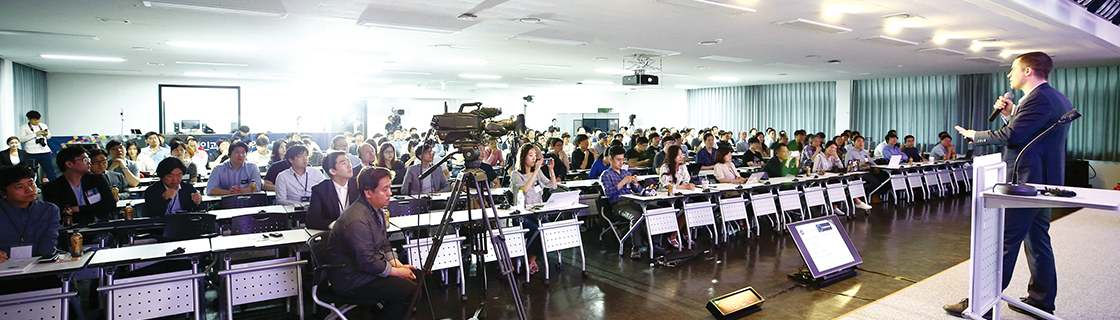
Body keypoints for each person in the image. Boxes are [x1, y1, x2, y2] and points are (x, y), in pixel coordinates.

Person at [947, 52, 1069, 318]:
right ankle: (1041, 300)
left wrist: (975, 135)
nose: (1009, 74)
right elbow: (1032, 131)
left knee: (1003, 242)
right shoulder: (1054, 97)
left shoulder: (1038, 98)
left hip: (1026, 181)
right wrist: (1011, 112)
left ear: (1028, 71)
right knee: (1037, 240)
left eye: (1013, 68)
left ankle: (981, 305)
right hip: (1042, 181)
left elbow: (1014, 135)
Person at [326, 167, 419, 320]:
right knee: (410, 291)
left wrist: (397, 265)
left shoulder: (378, 211)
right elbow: (367, 263)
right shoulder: (357, 220)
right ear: (368, 193)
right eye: (385, 189)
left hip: (366, 272)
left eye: (389, 187)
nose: (390, 193)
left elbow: (384, 243)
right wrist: (396, 272)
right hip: (351, 280)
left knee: (417, 278)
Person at [600, 146, 661, 259]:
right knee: (636, 216)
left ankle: (655, 243)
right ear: (610, 160)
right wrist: (622, 182)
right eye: (618, 159)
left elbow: (638, 191)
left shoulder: (625, 172)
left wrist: (636, 184)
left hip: (633, 200)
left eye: (622, 159)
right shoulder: (606, 175)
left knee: (656, 211)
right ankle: (636, 247)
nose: (621, 162)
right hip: (619, 204)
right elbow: (608, 193)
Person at [509, 144, 558, 274]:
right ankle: (529, 259)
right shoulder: (516, 174)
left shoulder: (539, 173)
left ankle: (531, 259)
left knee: (547, 228)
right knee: (535, 229)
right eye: (530, 155)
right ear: (523, 157)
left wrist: (551, 170)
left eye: (535, 155)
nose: (534, 158)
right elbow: (523, 190)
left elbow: (552, 186)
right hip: (521, 215)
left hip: (538, 213)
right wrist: (535, 171)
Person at [42, 146, 115, 224]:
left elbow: (110, 205)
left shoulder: (97, 180)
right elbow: (59, 213)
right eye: (85, 160)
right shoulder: (52, 188)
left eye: (89, 159)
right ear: (69, 164)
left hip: (100, 226)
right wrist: (92, 209)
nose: (89, 162)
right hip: (72, 229)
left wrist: (78, 209)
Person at [0, 165, 59, 261]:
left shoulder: (48, 210)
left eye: (31, 184)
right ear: (3, 194)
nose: (29, 190)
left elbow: (48, 246)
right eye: (19, 187)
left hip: (42, 267)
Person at [307, 151, 361, 230]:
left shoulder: (359, 186)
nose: (349, 166)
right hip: (332, 235)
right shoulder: (320, 189)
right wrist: (335, 225)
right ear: (333, 171)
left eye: (348, 162)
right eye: (343, 163)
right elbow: (311, 220)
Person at [19, 111, 56, 181]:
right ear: (29, 119)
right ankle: (35, 187)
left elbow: (49, 137)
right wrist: (35, 134)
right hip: (31, 152)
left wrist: (46, 134)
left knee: (50, 170)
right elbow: (22, 139)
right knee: (32, 171)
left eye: (38, 119)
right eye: (34, 119)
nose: (37, 121)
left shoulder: (43, 125)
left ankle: (55, 186)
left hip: (44, 151)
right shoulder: (24, 127)